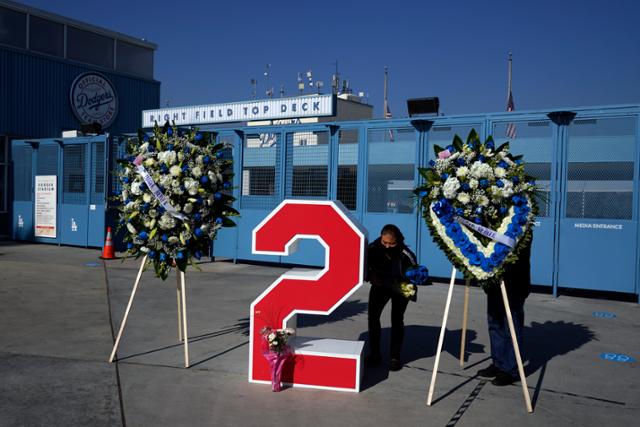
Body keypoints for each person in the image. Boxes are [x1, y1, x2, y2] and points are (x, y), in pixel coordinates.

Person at [477, 236, 532, 386]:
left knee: (511, 328)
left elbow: (517, 251)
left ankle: (510, 369)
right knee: (495, 324)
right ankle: (498, 363)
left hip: (514, 282)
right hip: (495, 282)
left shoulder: (521, 220)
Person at [365, 224, 417, 371]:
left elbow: (415, 274)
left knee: (397, 319)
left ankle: (395, 356)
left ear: (398, 240)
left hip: (400, 288)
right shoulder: (373, 248)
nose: (387, 246)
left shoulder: (406, 253)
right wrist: (370, 276)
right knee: (373, 317)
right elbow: (363, 266)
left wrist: (413, 283)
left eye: (391, 243)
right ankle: (375, 353)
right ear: (381, 238)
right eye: (385, 242)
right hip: (380, 286)